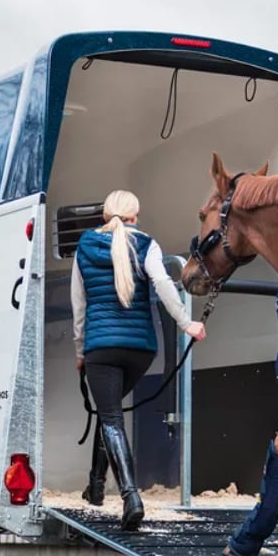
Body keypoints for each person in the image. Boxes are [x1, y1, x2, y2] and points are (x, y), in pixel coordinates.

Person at [71, 189, 206, 530]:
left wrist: (79, 350)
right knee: (109, 412)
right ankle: (97, 487)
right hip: (141, 350)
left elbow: (79, 305)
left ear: (105, 214)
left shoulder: (85, 245)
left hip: (101, 348)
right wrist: (186, 322)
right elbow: (163, 284)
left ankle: (131, 497)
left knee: (110, 417)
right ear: (135, 215)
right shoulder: (147, 244)